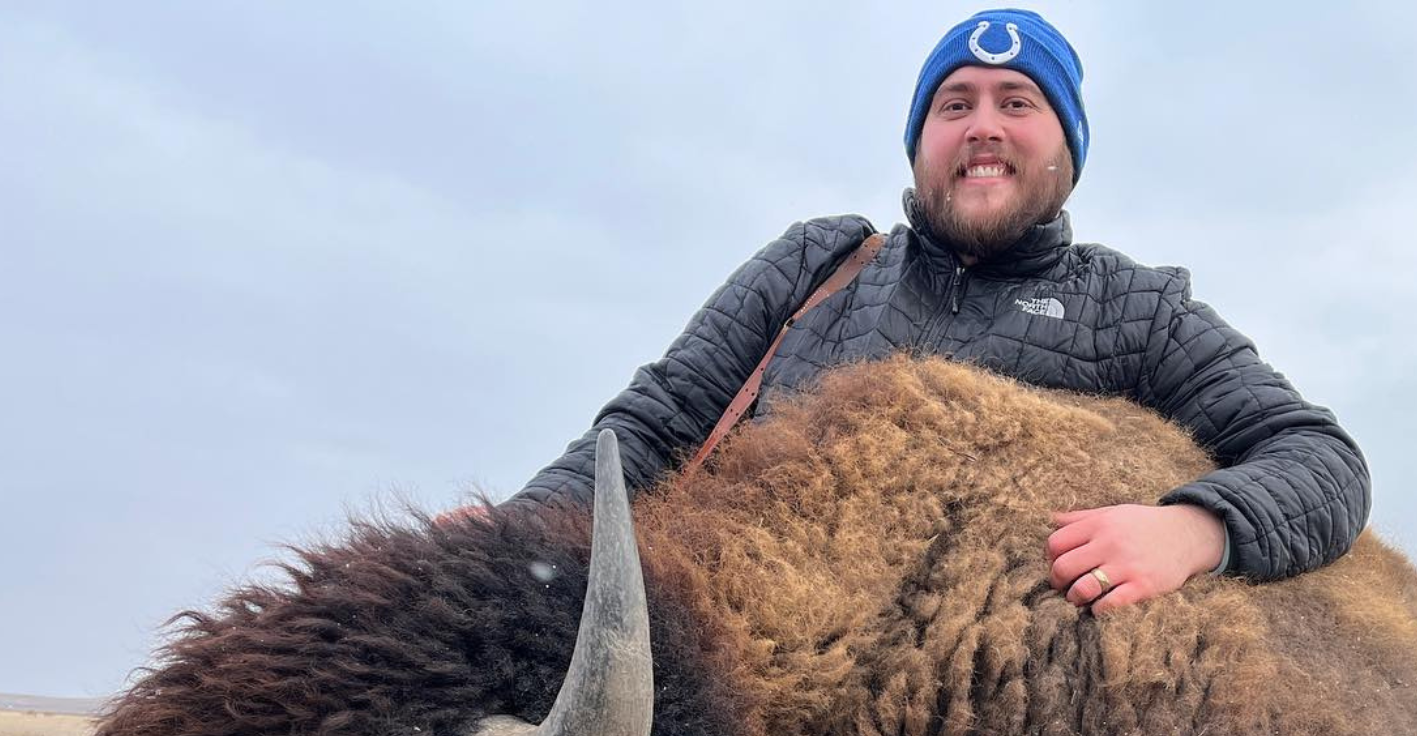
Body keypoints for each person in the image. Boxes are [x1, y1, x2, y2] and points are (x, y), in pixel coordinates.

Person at [512, 9, 1369, 613]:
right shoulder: (818, 263)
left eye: (1016, 103)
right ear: (921, 143)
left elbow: (1323, 461)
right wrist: (510, 538)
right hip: (729, 688)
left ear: (1064, 149)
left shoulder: (1136, 309)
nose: (982, 127)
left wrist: (1193, 531)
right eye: (953, 105)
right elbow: (654, 427)